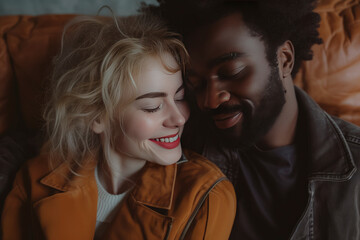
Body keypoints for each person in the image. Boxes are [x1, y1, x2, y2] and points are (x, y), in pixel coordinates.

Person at [1, 13, 236, 240]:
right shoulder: (33, 180)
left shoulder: (207, 196)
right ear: (96, 117)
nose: (179, 118)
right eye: (153, 106)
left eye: (179, 97)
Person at [143, 0, 360, 239]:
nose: (210, 101)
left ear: (284, 59)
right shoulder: (179, 145)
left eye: (232, 72)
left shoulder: (354, 169)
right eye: (198, 84)